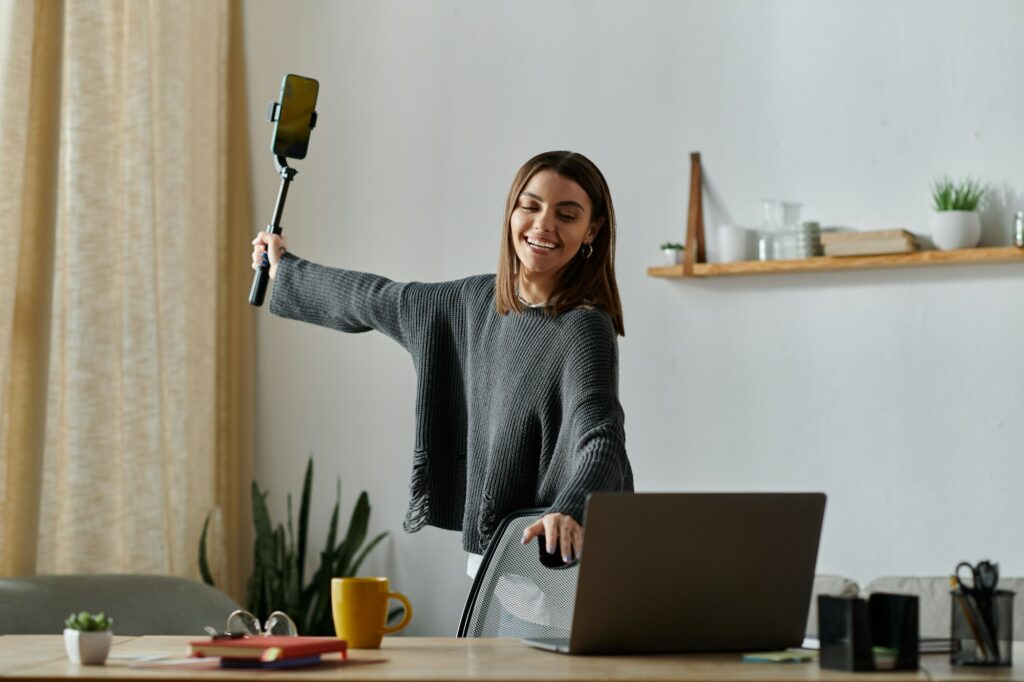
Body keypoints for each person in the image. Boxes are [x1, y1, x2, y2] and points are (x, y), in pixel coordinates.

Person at [251, 151, 633, 576]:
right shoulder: (471, 303)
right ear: (511, 212)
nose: (544, 224)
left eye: (567, 214)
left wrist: (572, 509)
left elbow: (602, 434)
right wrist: (285, 269)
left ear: (591, 230)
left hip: (559, 559)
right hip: (495, 555)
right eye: (530, 206)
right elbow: (376, 299)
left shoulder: (583, 326)